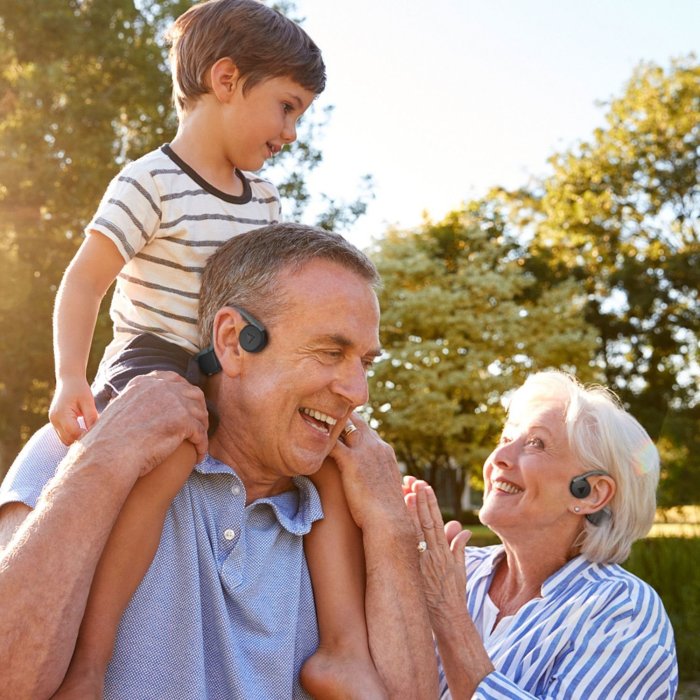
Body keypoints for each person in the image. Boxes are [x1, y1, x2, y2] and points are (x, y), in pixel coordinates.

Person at [30, 1, 377, 696]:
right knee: (174, 448)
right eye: (286, 107)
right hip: (153, 356)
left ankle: (343, 646)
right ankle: (92, 661)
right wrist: (70, 377)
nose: (291, 131)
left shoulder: (265, 202)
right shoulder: (149, 183)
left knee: (339, 452)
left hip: (224, 362)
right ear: (225, 80)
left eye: (301, 114)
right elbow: (83, 282)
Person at [0, 223, 439, 699]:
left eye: (365, 363)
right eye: (331, 351)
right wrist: (100, 461)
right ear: (232, 341)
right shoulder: (80, 451)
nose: (358, 392)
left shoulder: (350, 511)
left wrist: (391, 525)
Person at [403, 370, 679, 699]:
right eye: (506, 439)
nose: (498, 459)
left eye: (536, 443)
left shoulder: (623, 611)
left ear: (590, 493)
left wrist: (447, 612)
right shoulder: (450, 568)